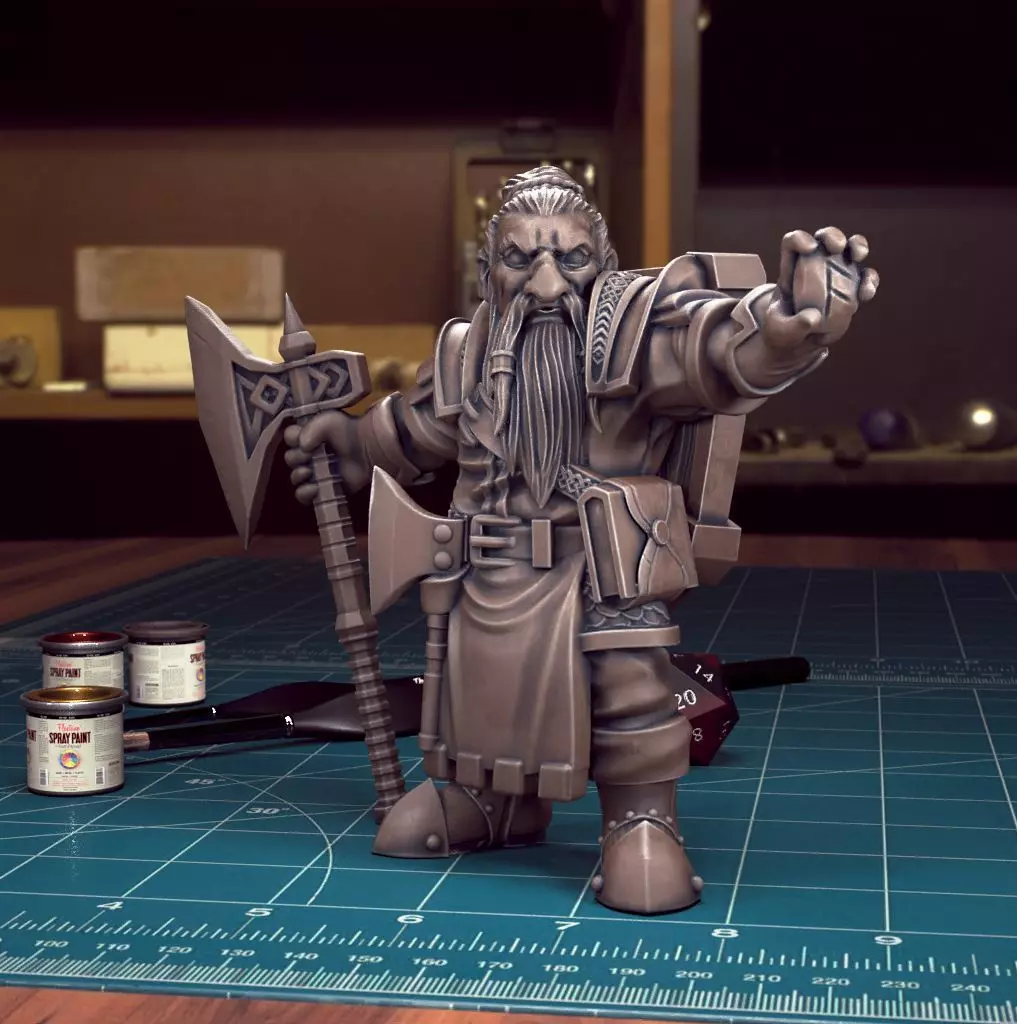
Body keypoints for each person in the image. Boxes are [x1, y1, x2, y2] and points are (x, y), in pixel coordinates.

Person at [283, 166, 879, 915]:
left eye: (570, 259)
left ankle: (640, 817)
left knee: (627, 691)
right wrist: (350, 443)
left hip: (605, 571)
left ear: (603, 262)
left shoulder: (634, 335)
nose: (544, 284)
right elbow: (417, 426)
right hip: (493, 570)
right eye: (518, 259)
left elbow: (716, 346)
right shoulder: (470, 351)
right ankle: (491, 798)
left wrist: (786, 324)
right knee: (479, 685)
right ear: (487, 270)